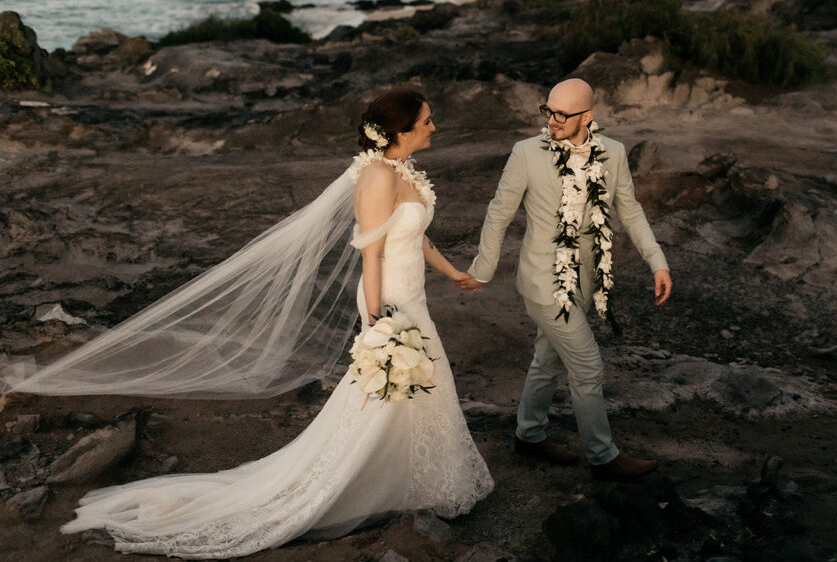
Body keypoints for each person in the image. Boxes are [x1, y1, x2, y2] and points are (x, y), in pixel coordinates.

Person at [23, 89, 493, 557]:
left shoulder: (403, 170)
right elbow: (371, 255)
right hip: (387, 296)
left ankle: (418, 479)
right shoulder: (376, 176)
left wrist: (453, 273)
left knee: (418, 385)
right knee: (389, 386)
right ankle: (348, 484)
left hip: (412, 294)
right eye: (427, 121)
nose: (434, 127)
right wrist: (375, 327)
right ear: (401, 131)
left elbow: (414, 234)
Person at [459, 78, 671, 482]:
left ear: (586, 116)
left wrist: (657, 262)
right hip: (543, 282)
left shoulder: (613, 152)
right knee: (588, 367)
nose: (551, 120)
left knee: (548, 358)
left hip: (587, 280)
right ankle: (602, 457)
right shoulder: (526, 153)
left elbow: (630, 210)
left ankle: (528, 435)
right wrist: (481, 271)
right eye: (548, 111)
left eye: (561, 114)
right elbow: (498, 213)